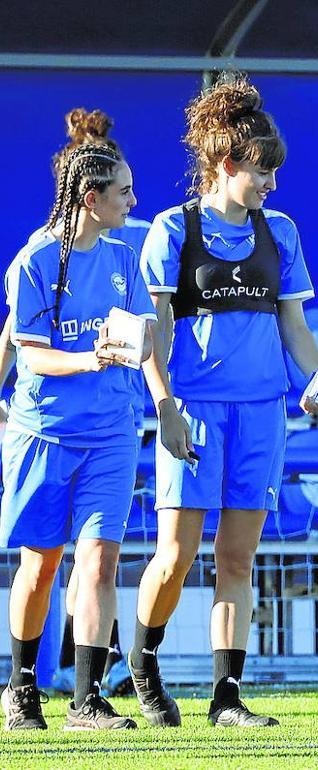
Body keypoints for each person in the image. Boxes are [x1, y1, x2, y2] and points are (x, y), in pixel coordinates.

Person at [127, 72, 318, 728]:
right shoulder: (172, 229)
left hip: (261, 413)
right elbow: (154, 332)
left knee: (237, 556)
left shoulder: (282, 233)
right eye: (261, 172)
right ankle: (143, 657)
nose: (271, 185)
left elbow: (295, 329)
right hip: (193, 412)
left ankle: (226, 697)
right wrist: (163, 405)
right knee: (175, 556)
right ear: (226, 165)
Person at [0, 107, 153, 700]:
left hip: (112, 432)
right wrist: (92, 358)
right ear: (91, 196)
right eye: (124, 191)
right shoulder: (36, 260)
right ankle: (21, 687)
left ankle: (89, 699)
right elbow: (30, 352)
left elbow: (143, 333)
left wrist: (150, 346)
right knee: (40, 566)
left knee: (99, 560)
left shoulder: (123, 259)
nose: (133, 202)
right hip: (46, 433)